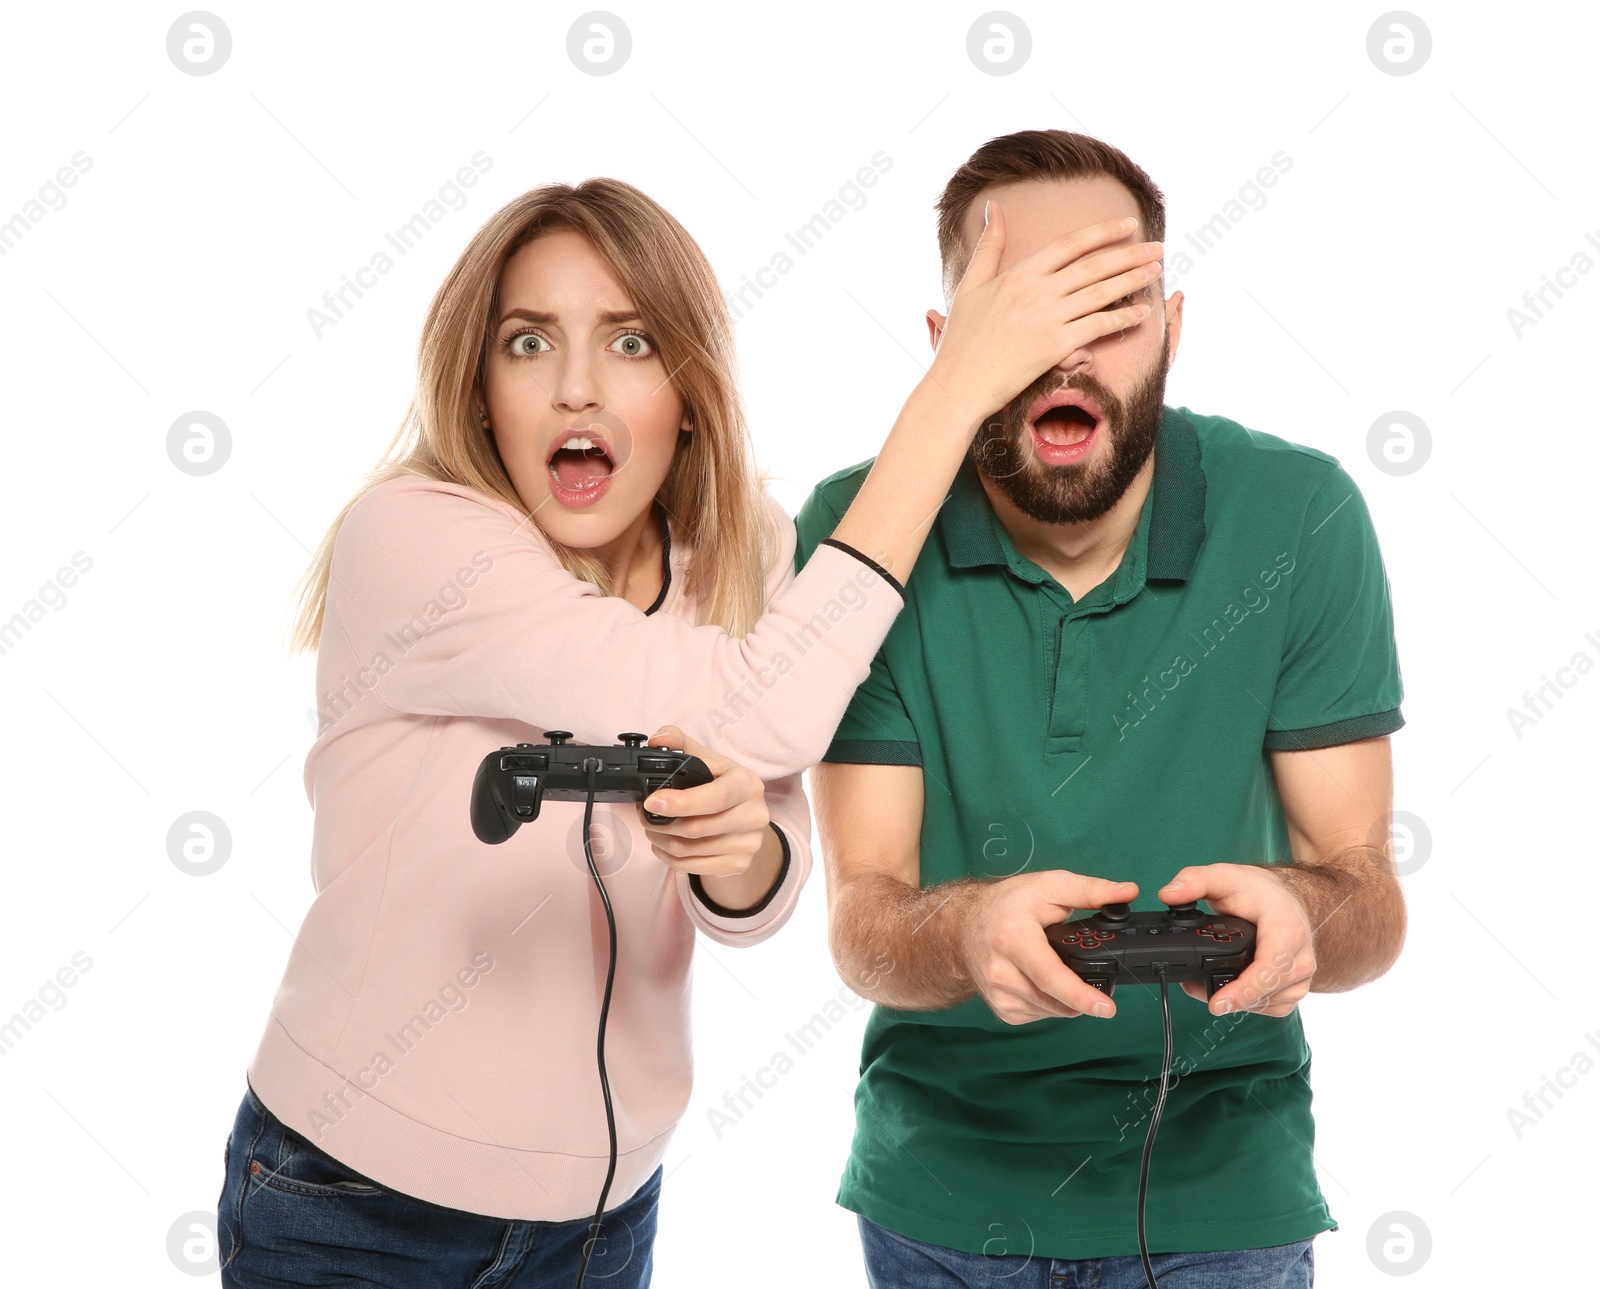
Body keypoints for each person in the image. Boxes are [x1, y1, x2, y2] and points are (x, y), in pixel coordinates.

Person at [214, 173, 1164, 1286]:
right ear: (477, 391)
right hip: (358, 1206)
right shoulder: (418, 540)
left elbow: (767, 851)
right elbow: (768, 700)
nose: (576, 388)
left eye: (627, 342)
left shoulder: (740, 552)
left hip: (604, 1217)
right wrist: (955, 393)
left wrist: (741, 853)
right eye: (527, 343)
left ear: (687, 387)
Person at [793, 129, 1407, 1289]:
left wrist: (1301, 912)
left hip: (1227, 1189)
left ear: (1174, 329)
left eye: (1109, 310)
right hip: (943, 1196)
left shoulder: (1299, 515)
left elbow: (1368, 894)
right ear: (945, 350)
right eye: (1018, 317)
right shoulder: (856, 535)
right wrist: (967, 931)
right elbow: (861, 918)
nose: (1063, 353)